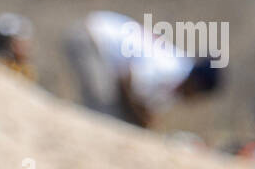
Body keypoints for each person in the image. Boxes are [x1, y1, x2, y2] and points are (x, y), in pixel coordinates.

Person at [64, 10, 224, 128]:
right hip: (92, 38)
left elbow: (145, 108)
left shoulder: (175, 89)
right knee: (103, 114)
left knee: (118, 120)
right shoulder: (170, 67)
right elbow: (126, 79)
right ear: (195, 83)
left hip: (103, 53)